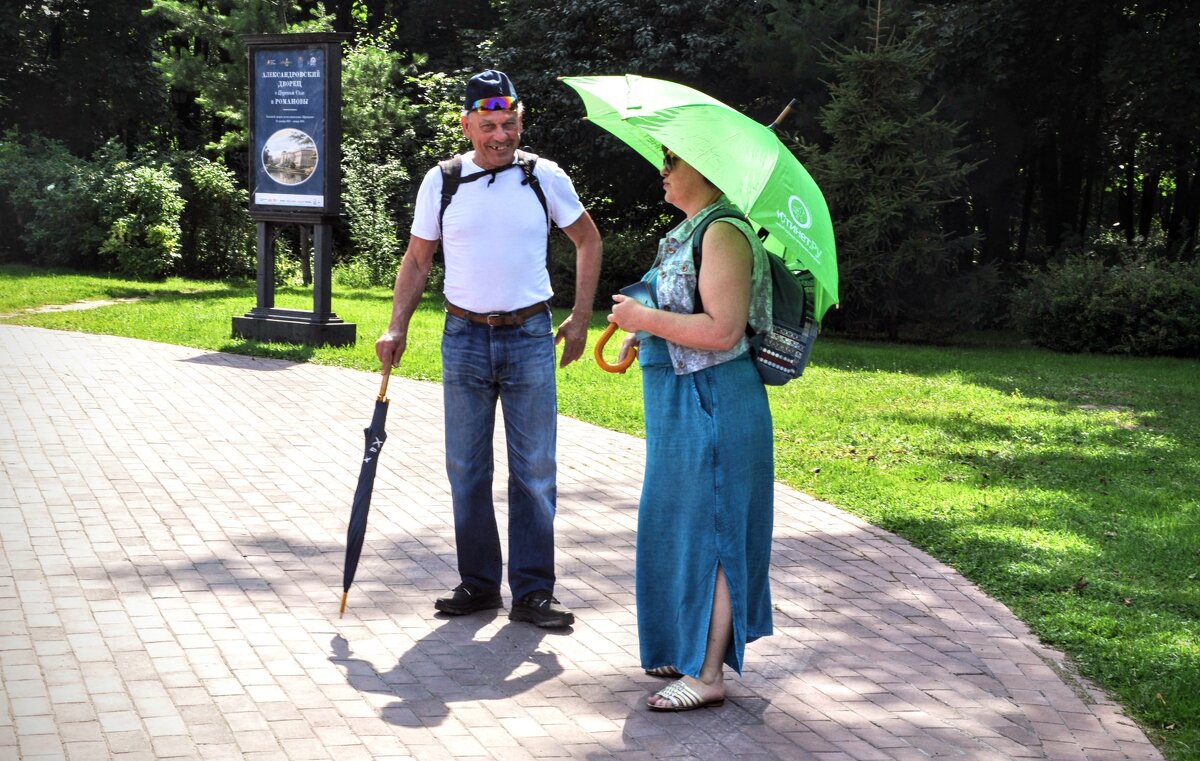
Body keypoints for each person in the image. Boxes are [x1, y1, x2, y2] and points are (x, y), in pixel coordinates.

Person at [376, 70, 602, 628]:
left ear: (520, 121)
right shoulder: (443, 180)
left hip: (529, 337)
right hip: (464, 337)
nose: (500, 136)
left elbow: (588, 240)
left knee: (534, 470)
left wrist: (578, 317)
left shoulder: (543, 176)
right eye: (488, 126)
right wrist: (396, 326)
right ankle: (478, 584)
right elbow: (417, 259)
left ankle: (532, 592)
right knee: (467, 467)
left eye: (509, 124)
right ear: (466, 124)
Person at [606, 147, 774, 710]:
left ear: (707, 169)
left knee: (716, 532)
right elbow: (685, 309)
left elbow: (724, 331)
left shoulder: (723, 232)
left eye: (674, 160)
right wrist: (642, 334)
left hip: (715, 403)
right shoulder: (690, 229)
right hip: (681, 404)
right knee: (678, 525)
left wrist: (643, 319)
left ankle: (708, 677)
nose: (664, 170)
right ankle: (684, 649)